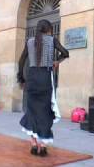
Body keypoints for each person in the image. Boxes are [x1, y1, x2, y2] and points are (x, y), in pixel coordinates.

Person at [17, 19, 69, 156]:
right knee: (45, 112)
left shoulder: (29, 42)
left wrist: (21, 79)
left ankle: (34, 144)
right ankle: (43, 145)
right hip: (45, 77)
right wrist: (57, 61)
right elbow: (65, 53)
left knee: (32, 111)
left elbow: (21, 61)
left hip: (32, 77)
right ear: (49, 29)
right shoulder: (52, 40)